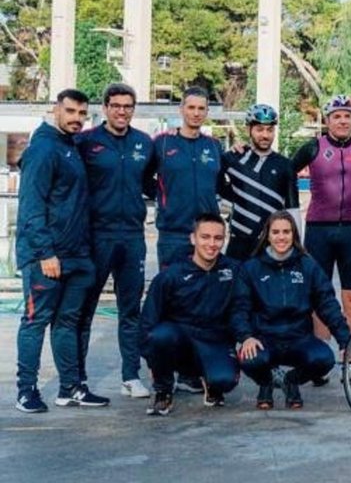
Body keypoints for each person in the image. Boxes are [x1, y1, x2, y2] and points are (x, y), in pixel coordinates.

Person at [14, 89, 101, 413]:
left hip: (76, 255)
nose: (77, 118)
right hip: (47, 257)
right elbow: (31, 207)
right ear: (56, 110)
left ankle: (70, 388)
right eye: (71, 111)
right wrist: (45, 253)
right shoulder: (43, 149)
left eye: (82, 113)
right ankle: (26, 391)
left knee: (67, 322)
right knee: (35, 322)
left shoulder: (71, 146)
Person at [75, 83, 157, 400]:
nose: (122, 111)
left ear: (133, 109)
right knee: (85, 309)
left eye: (128, 106)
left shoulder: (144, 143)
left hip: (132, 236)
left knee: (130, 309)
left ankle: (130, 376)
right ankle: (77, 378)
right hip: (97, 236)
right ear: (105, 108)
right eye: (116, 106)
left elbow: (152, 182)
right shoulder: (87, 141)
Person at [231, 211, 351, 410]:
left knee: (324, 359)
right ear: (267, 235)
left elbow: (327, 303)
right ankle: (266, 382)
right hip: (265, 339)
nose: (281, 237)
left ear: (294, 234)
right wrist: (246, 337)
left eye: (286, 232)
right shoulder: (251, 268)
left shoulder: (308, 265)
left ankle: (291, 381)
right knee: (249, 357)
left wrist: (345, 341)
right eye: (276, 232)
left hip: (299, 338)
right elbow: (239, 308)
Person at [290, 94, 351, 336]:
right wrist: (290, 208)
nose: (342, 121)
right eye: (336, 116)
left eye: (347, 116)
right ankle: (322, 352)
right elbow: (285, 172)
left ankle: (350, 352)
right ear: (327, 120)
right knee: (320, 295)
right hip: (319, 231)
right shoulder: (313, 147)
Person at [140, 214, 240, 416]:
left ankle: (211, 382)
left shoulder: (234, 270)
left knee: (225, 381)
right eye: (205, 237)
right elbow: (147, 322)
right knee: (159, 336)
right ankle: (163, 391)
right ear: (193, 238)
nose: (211, 244)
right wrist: (152, 359)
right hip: (181, 342)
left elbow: (244, 309)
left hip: (215, 342)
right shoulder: (170, 276)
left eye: (218, 238)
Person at [153, 86, 224, 268]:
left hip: (207, 234)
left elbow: (220, 183)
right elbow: (144, 178)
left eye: (201, 108)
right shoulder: (162, 143)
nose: (196, 113)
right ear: (181, 109)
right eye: (191, 107)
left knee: (206, 284)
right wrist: (166, 200)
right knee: (171, 284)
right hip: (173, 234)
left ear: (207, 111)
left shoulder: (214, 146)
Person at [221, 104, 299, 261]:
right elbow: (212, 186)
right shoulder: (232, 158)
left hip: (271, 244)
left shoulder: (285, 165)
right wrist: (228, 206)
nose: (265, 135)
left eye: (270, 130)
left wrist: (297, 247)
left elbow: (293, 209)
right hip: (238, 244)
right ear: (248, 130)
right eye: (259, 129)